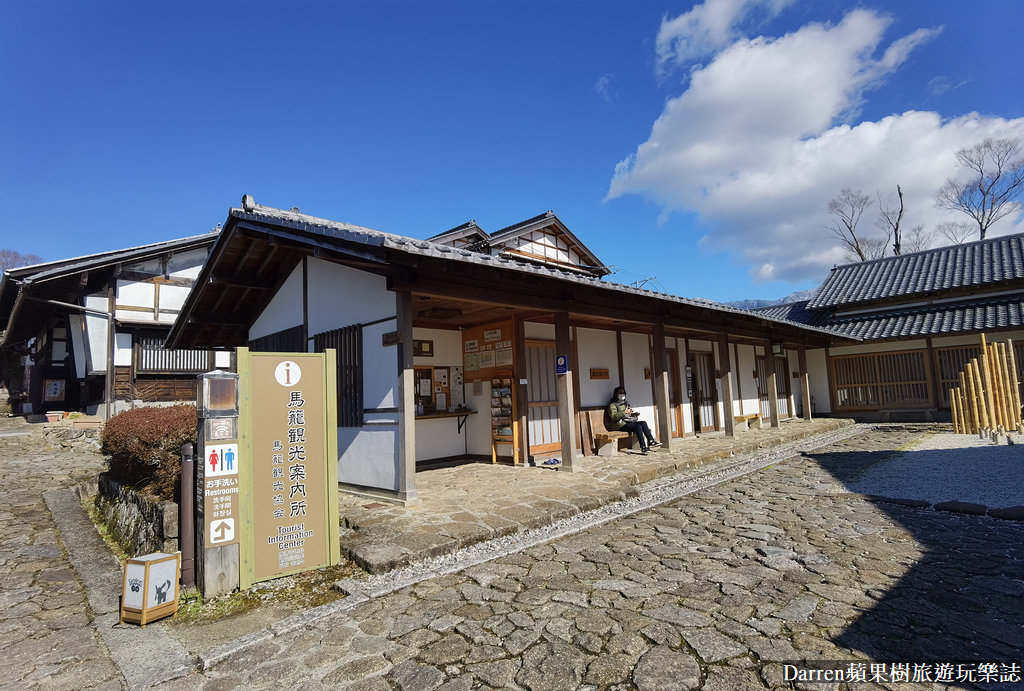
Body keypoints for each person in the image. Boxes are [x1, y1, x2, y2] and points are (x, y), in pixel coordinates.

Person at [606, 386, 661, 454]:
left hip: (627, 422)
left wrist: (632, 414)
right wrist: (624, 412)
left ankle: (651, 441)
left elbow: (627, 414)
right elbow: (613, 417)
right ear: (616, 394)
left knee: (643, 423)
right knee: (638, 426)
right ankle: (643, 447)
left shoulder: (625, 403)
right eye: (620, 393)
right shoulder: (612, 405)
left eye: (623, 392)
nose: (622, 394)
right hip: (619, 425)